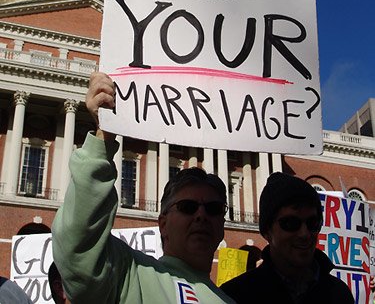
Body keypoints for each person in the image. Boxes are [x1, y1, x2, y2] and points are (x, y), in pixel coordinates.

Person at [52, 72, 235, 303]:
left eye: (213, 208)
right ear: (163, 224)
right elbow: (77, 248)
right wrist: (104, 136)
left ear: (222, 228)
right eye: (188, 207)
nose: (201, 215)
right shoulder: (130, 274)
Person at [221, 172, 354, 303]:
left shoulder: (339, 293)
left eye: (312, 223)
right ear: (267, 231)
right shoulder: (235, 296)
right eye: (291, 223)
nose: (304, 234)